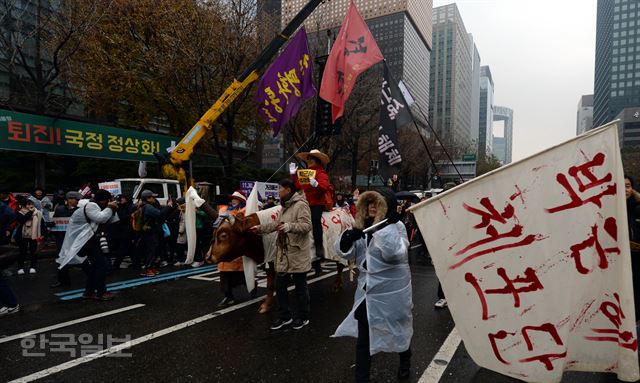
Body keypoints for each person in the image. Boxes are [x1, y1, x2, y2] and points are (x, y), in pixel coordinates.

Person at [334, 189, 412, 382]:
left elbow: (395, 254)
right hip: (367, 293)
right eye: (369, 202)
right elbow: (349, 253)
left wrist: (383, 229)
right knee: (364, 339)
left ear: (386, 207)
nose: (372, 206)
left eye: (377, 203)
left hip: (392, 294)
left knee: (398, 330)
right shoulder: (361, 227)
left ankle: (405, 360)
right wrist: (346, 240)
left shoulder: (397, 226)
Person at [251, 179, 312, 330]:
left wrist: (289, 226)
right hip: (284, 254)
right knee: (280, 286)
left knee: (300, 287)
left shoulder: (301, 205)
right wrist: (259, 228)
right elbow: (276, 224)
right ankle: (285, 316)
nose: (278, 191)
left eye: (280, 188)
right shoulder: (284, 207)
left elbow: (307, 226)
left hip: (297, 253)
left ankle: (303, 317)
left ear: (288, 190)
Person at [57, 189, 119, 301]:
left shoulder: (99, 207)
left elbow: (112, 220)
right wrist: (110, 208)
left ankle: (89, 292)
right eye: (107, 200)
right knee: (101, 266)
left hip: (92, 240)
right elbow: (101, 218)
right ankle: (101, 292)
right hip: (87, 241)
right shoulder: (91, 206)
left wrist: (113, 209)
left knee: (96, 267)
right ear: (103, 200)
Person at [292, 149, 331, 275]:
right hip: (303, 204)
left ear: (317, 161)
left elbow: (324, 188)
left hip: (316, 204)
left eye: (311, 159)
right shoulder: (304, 173)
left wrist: (316, 184)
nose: (309, 161)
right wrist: (293, 175)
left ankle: (319, 247)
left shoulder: (321, 173)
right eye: (308, 159)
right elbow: (297, 186)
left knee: (315, 222)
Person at [216, 191, 247, 307]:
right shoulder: (225, 209)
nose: (233, 200)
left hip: (236, 246)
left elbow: (242, 226)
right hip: (224, 245)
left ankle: (251, 284)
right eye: (232, 198)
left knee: (239, 274)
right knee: (224, 273)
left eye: (236, 198)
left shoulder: (245, 210)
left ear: (241, 200)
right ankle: (228, 296)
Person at [138, 190, 174, 277]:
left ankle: (151, 267)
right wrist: (169, 206)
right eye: (152, 197)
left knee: (154, 249)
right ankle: (148, 268)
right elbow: (160, 214)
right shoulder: (148, 207)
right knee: (152, 250)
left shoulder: (147, 205)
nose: (155, 198)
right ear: (147, 198)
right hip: (149, 232)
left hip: (150, 231)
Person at [51, 191, 83, 288]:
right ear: (69, 199)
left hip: (75, 238)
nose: (78, 201)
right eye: (76, 199)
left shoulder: (80, 210)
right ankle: (63, 280)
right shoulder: (60, 209)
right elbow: (54, 221)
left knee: (81, 258)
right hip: (61, 238)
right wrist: (51, 225)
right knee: (61, 258)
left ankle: (92, 276)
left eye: (78, 199)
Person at [624, 175, 640, 321]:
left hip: (636, 259)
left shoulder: (635, 208)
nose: (625, 189)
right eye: (621, 186)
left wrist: (635, 194)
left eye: (627, 186)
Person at [15, 197, 43, 275]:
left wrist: (43, 234)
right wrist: (30, 212)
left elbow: (42, 224)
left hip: (34, 235)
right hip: (22, 235)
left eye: (31, 205)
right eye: (28, 205)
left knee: (34, 251)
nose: (30, 207)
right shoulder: (19, 212)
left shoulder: (38, 213)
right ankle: (20, 268)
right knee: (22, 251)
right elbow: (22, 220)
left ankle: (33, 267)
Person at [109, 194, 136, 270]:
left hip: (128, 231)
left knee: (123, 248)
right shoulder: (123, 206)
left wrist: (118, 208)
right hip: (123, 231)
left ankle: (116, 265)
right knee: (130, 249)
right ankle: (136, 264)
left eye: (123, 198)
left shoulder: (131, 207)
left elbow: (123, 217)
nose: (121, 199)